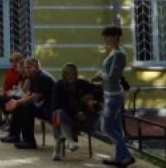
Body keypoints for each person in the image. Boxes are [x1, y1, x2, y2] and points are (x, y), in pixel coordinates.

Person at [91, 26, 135, 166]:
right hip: (110, 93)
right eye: (105, 36)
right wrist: (100, 79)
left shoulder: (119, 54)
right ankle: (120, 157)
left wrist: (100, 75)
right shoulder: (114, 52)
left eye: (108, 36)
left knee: (106, 127)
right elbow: (110, 76)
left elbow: (113, 76)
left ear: (116, 37)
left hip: (114, 96)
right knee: (115, 128)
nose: (105, 39)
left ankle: (127, 155)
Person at [0, 57, 55, 149]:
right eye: (26, 67)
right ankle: (14, 135)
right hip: (43, 105)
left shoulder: (42, 77)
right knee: (20, 102)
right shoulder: (32, 77)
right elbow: (28, 94)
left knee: (27, 106)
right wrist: (16, 102)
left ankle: (29, 142)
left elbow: (35, 97)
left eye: (29, 67)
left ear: (37, 68)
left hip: (51, 110)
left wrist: (17, 103)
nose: (27, 70)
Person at [50, 63, 100, 161]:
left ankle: (57, 151)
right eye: (68, 74)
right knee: (58, 114)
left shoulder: (81, 83)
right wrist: (76, 112)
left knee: (58, 117)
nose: (71, 76)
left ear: (76, 74)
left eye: (73, 74)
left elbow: (98, 90)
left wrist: (90, 98)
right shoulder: (58, 85)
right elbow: (56, 105)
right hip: (67, 115)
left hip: (78, 117)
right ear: (64, 75)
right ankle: (70, 141)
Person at [0, 51, 24, 127]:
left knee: (5, 99)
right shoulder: (9, 70)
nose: (13, 63)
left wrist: (8, 93)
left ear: (20, 61)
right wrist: (4, 91)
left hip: (17, 93)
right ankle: (0, 120)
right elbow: (6, 83)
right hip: (9, 92)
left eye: (16, 61)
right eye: (12, 61)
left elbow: (20, 87)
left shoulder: (21, 72)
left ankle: (9, 122)